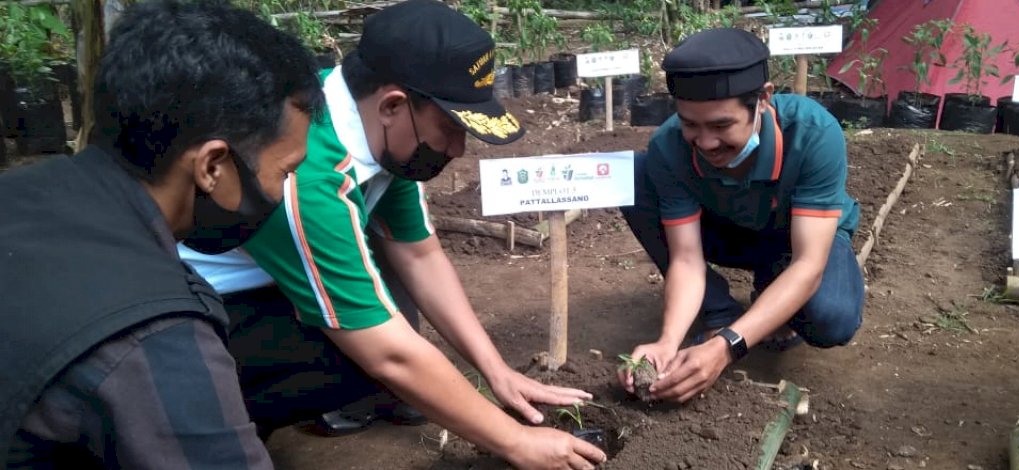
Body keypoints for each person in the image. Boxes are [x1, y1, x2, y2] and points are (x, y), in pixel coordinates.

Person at [176, 0, 607, 467]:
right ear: (393, 105)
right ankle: (213, 422)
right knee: (370, 356)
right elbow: (389, 354)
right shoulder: (310, 172)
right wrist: (513, 440)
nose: (459, 149)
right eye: (449, 128)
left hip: (267, 283)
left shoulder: (377, 134)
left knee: (393, 314)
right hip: (199, 309)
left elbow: (420, 255)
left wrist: (497, 371)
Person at [0, 1, 323, 467]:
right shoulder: (154, 332)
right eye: (286, 170)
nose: (285, 188)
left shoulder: (22, 192)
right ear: (213, 165)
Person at [617, 28, 864, 403]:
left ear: (763, 99)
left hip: (795, 241)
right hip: (726, 230)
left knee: (831, 317)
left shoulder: (813, 134)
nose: (705, 142)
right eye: (690, 124)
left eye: (721, 125)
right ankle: (720, 311)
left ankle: (771, 291)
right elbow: (685, 257)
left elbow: (809, 263)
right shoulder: (669, 147)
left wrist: (728, 346)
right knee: (635, 173)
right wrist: (667, 342)